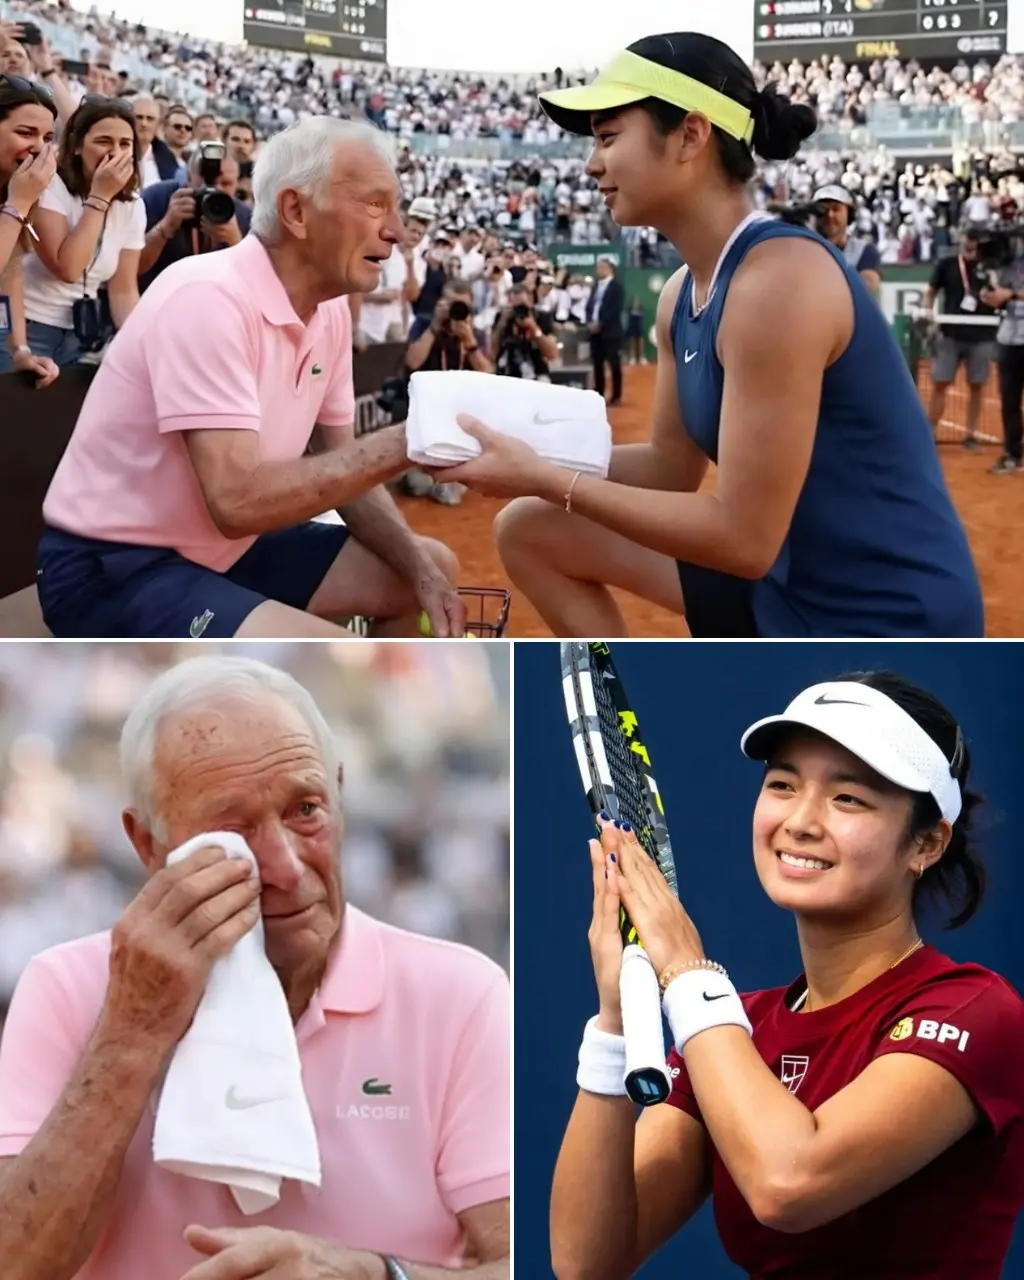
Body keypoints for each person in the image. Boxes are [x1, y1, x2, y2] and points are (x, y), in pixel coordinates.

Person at [433, 32, 984, 639]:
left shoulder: (778, 283)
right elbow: (670, 469)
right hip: (784, 584)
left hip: (886, 618)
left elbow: (743, 541)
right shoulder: (679, 295)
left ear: (691, 136)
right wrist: (526, 460)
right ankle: (629, 713)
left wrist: (546, 477)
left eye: (609, 137)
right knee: (529, 527)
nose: (592, 164)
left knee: (542, 506)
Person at [0, 654, 510, 1280]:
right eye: (231, 830)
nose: (287, 867)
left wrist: (370, 1275)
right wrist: (132, 1027)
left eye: (306, 810)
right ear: (148, 845)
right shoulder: (65, 989)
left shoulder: (458, 995)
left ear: (340, 795)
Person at [553, 671, 1024, 1280]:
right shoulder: (735, 1029)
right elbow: (587, 1261)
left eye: (847, 797)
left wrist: (687, 975)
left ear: (927, 843)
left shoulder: (976, 1013)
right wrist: (615, 1024)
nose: (800, 820)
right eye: (782, 784)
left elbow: (787, 1182)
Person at [36, 116, 463, 641]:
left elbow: (346, 472)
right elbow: (236, 503)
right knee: (330, 653)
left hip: (228, 546)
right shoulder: (207, 297)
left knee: (434, 566)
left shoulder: (327, 311)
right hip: (114, 564)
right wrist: (408, 442)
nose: (396, 231)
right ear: (295, 211)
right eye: (375, 204)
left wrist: (419, 569)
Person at [0, 95, 143, 372]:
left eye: (125, 144)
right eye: (103, 141)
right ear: (77, 146)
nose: (114, 153)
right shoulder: (45, 184)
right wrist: (100, 198)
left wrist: (139, 344)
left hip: (84, 334)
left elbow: (124, 290)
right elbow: (68, 267)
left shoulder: (133, 204)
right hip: (32, 323)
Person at [0, 74, 58, 385]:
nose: (39, 148)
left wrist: (20, 350)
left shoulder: (15, 188)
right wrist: (17, 206)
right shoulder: (20, 195)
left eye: (48, 138)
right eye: (26, 133)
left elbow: (10, 270)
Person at [137, 146, 250, 292]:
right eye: (208, 182)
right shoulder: (157, 198)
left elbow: (254, 283)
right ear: (189, 177)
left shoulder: (244, 215)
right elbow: (133, 268)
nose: (216, 190)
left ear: (236, 184)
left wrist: (236, 242)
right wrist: (165, 228)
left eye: (226, 184)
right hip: (161, 297)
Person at [923, 232, 995, 453]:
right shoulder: (947, 264)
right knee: (940, 383)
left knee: (977, 387)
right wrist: (928, 314)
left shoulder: (990, 267)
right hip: (950, 334)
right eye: (968, 237)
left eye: (976, 238)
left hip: (982, 336)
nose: (971, 242)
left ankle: (971, 436)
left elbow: (997, 296)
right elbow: (932, 292)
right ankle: (930, 433)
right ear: (961, 239)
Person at [978, 246, 1024, 475]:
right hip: (1009, 338)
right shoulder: (1006, 263)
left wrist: (1013, 294)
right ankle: (1012, 454)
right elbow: (1000, 298)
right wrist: (991, 297)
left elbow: (1011, 294)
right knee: (1009, 402)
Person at [812, 184, 882, 301]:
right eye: (823, 210)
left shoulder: (864, 251)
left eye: (836, 209)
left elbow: (868, 295)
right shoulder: (803, 249)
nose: (830, 215)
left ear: (849, 214)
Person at [492, 282, 558, 379]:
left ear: (530, 300)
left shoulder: (542, 317)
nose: (519, 311)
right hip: (506, 373)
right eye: (516, 307)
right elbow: (492, 352)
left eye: (522, 306)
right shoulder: (502, 318)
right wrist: (501, 323)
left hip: (536, 373)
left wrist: (534, 328)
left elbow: (552, 354)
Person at [585, 256, 624, 404]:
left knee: (614, 363)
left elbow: (615, 310)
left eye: (602, 267)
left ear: (610, 269)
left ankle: (616, 395)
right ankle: (599, 393)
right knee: (597, 363)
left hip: (610, 331)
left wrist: (601, 324)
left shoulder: (617, 287)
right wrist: (589, 322)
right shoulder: (595, 285)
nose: (599, 270)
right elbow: (590, 306)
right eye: (598, 267)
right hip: (594, 331)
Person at [133, 95, 181, 189]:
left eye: (150, 118)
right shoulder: (114, 153)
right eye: (139, 117)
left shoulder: (168, 160)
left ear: (158, 124)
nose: (144, 123)